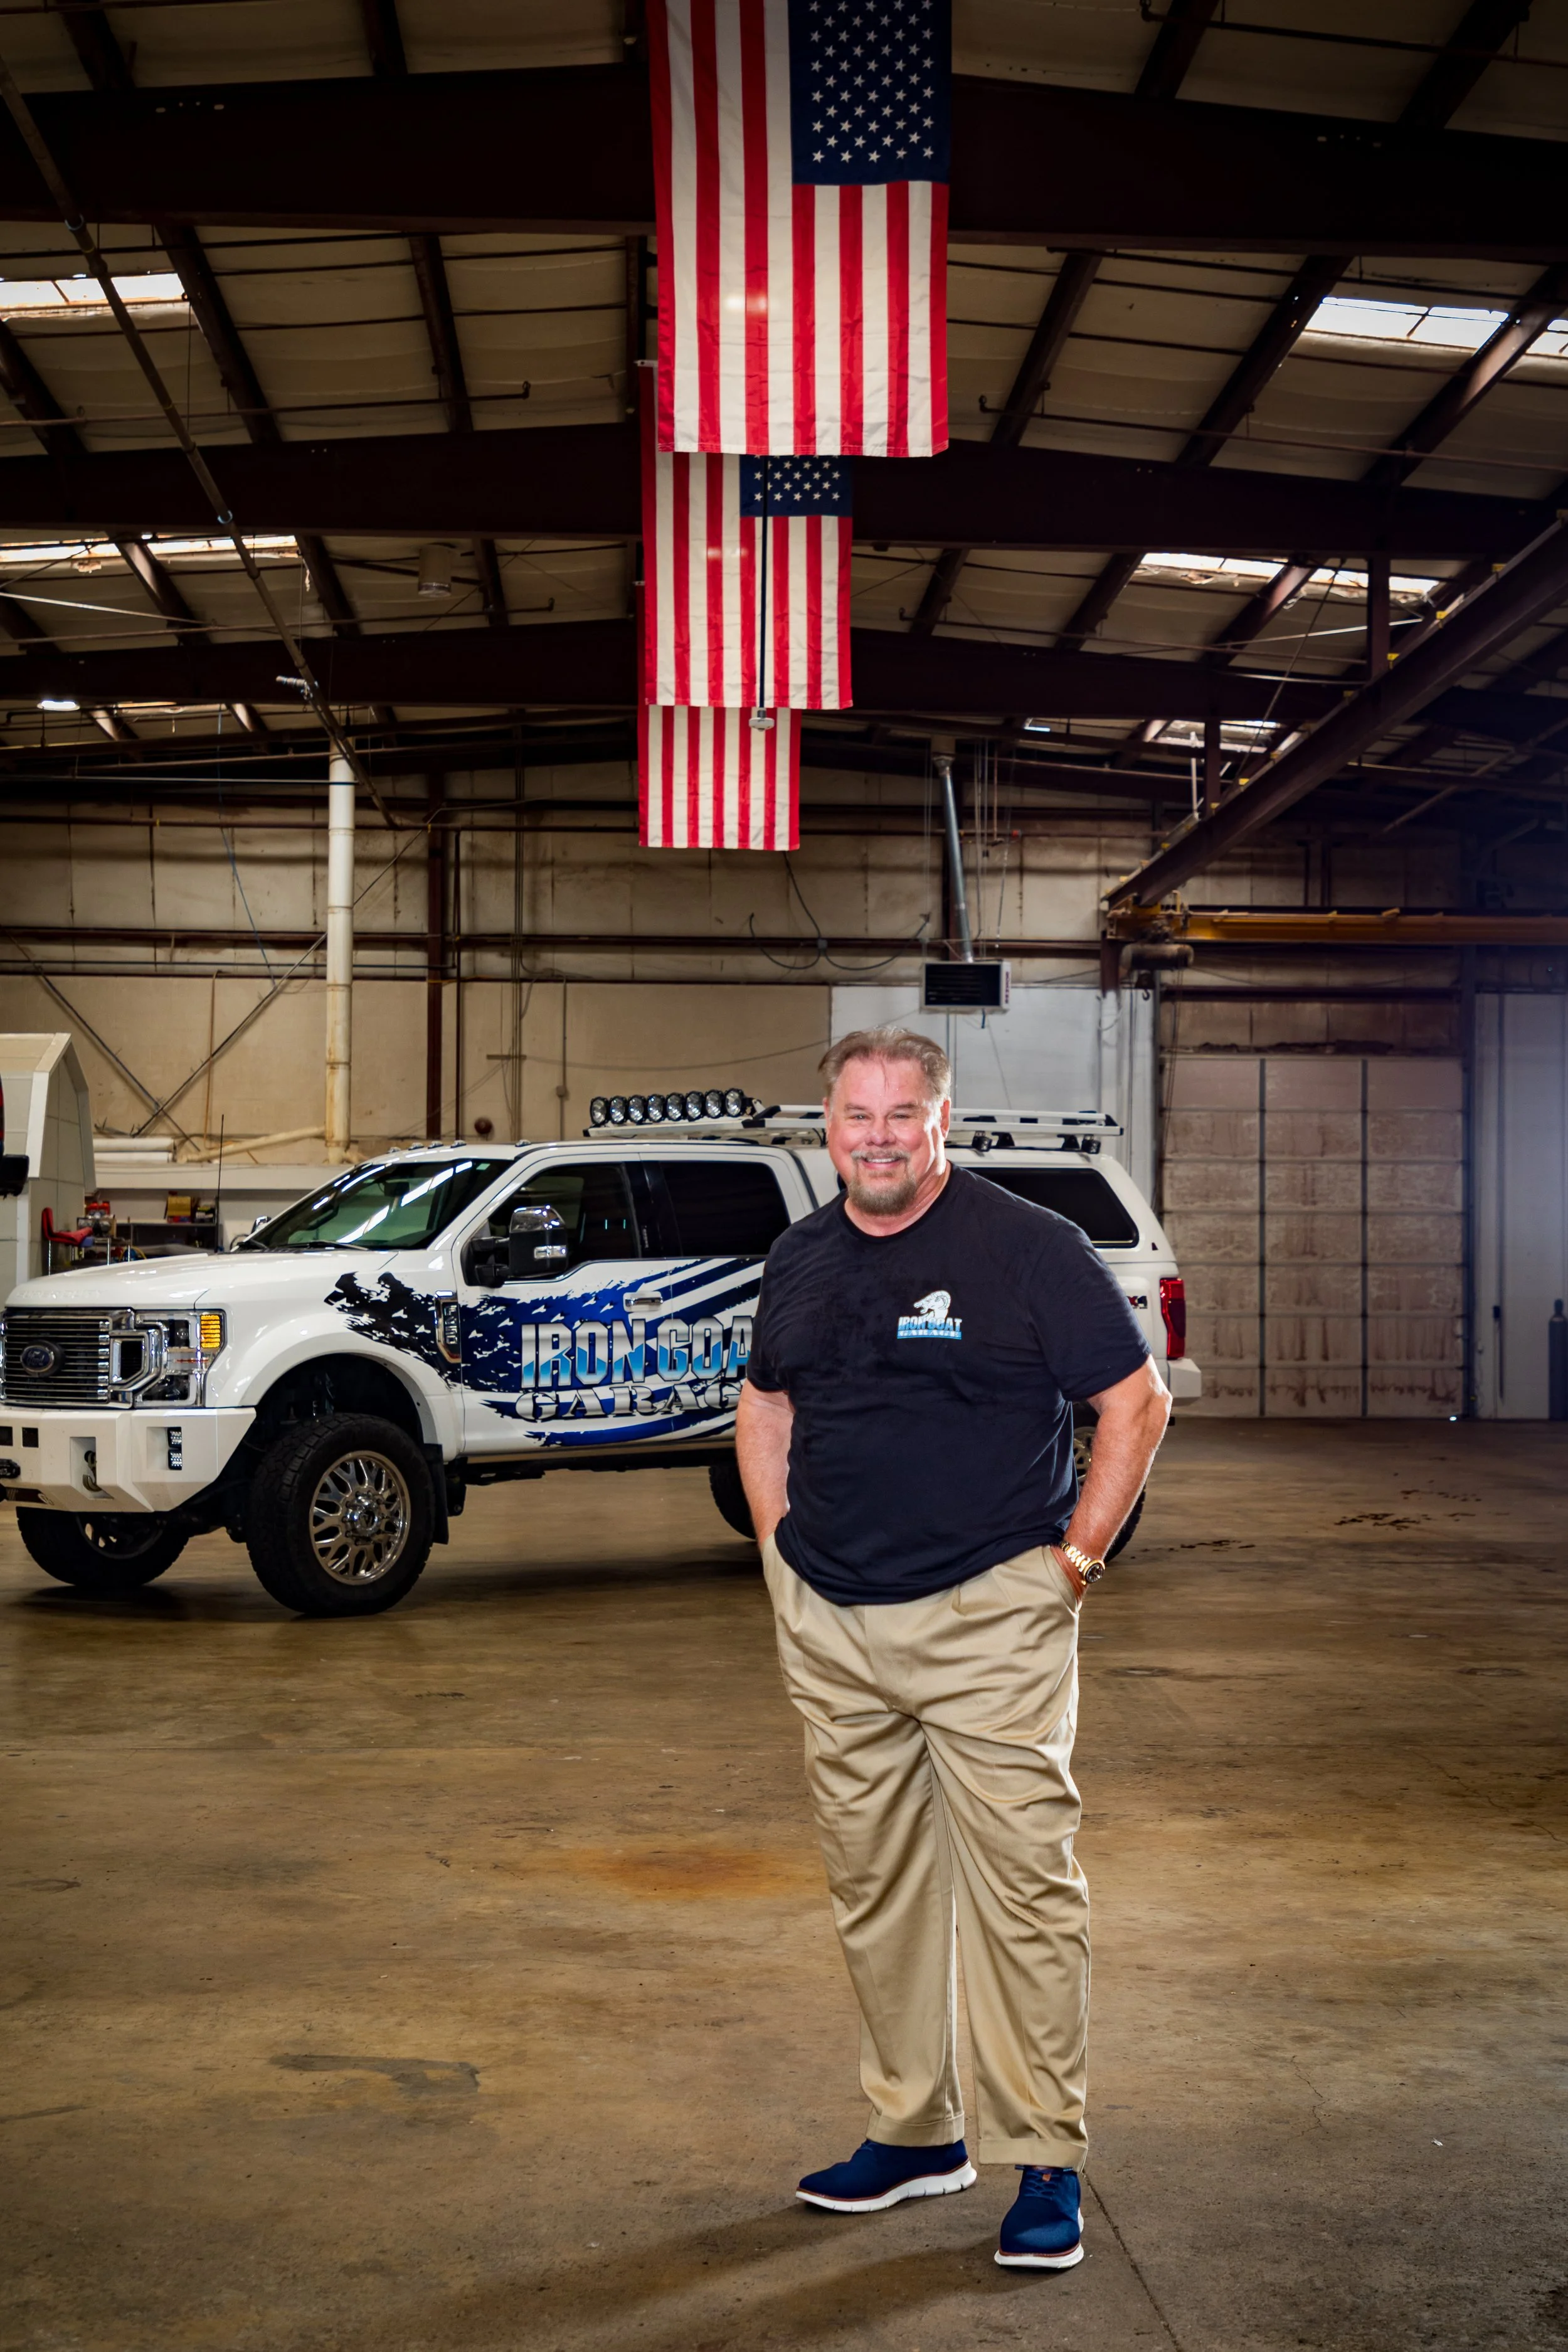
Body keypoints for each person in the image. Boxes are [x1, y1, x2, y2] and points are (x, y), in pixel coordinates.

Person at [736, 1024, 1171, 2271]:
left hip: (989, 1615)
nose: (875, 1137)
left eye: (900, 1113)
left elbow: (1133, 1403)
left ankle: (1046, 2159)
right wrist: (777, 1552)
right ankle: (915, 2131)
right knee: (875, 1889)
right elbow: (765, 1401)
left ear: (942, 1120)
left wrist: (1073, 1562)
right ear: (827, 1128)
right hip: (833, 1618)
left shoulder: (1027, 1247)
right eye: (853, 1117)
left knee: (1023, 1890)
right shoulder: (800, 1255)